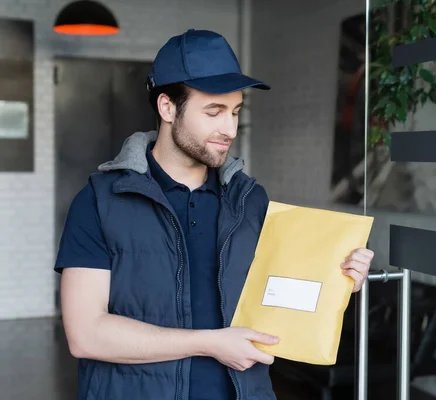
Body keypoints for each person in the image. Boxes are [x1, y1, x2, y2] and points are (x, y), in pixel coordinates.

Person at [55, 29, 375, 400]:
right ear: (167, 107)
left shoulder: (249, 200)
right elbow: (86, 334)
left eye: (236, 111)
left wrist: (338, 277)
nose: (229, 129)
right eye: (214, 111)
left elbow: (279, 297)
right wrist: (211, 343)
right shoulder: (100, 200)